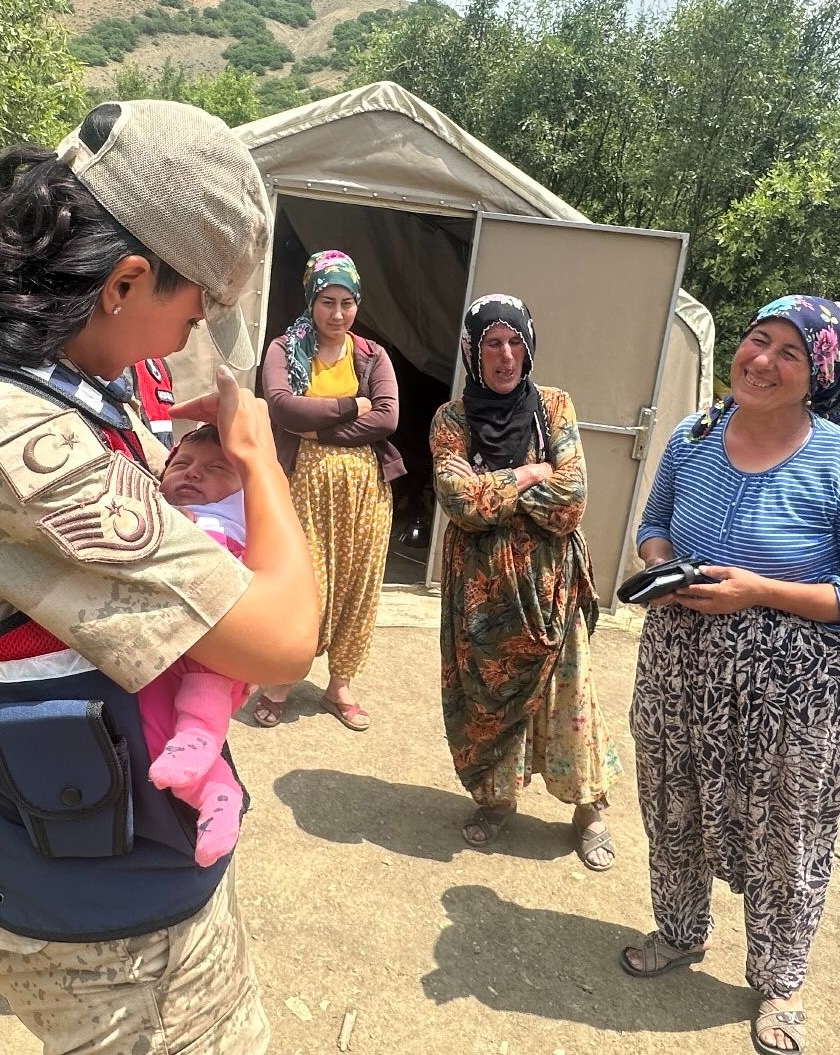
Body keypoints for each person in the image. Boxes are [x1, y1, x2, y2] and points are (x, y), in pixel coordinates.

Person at [0, 99, 319, 1055]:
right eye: (188, 315)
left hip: (110, 858)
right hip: (112, 933)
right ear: (124, 281)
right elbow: (283, 637)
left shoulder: (5, 353)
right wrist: (257, 455)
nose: (177, 345)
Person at [622, 295, 840, 1055]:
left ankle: (781, 980)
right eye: (758, 340)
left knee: (787, 834)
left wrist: (757, 591)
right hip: (679, 668)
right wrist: (663, 569)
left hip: (796, 694)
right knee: (671, 802)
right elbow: (653, 525)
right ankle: (681, 932)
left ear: (821, 375)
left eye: (790, 352)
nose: (762, 361)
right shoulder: (695, 434)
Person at [429, 294, 624, 870]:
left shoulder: (555, 407)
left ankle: (588, 811)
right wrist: (531, 472)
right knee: (486, 697)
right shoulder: (452, 419)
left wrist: (495, 486)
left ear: (529, 346)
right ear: (473, 350)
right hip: (481, 596)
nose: (505, 355)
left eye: (515, 342)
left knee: (571, 694)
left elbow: (573, 500)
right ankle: (496, 801)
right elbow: (458, 502)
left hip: (550, 591)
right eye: (492, 342)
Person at [253, 250, 403, 731]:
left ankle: (339, 684)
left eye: (347, 303)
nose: (337, 315)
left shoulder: (372, 355)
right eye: (327, 302)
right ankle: (281, 678)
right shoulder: (283, 349)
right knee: (304, 584)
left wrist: (321, 428)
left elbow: (388, 417)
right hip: (304, 490)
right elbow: (283, 409)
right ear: (311, 301)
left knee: (357, 587)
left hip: (366, 495)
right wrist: (350, 405)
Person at [143, 425, 254, 867]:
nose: (192, 475)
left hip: (218, 652)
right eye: (183, 464)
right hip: (161, 654)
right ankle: (217, 794)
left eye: (215, 469)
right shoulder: (154, 505)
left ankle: (199, 737)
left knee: (205, 682)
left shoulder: (240, 517)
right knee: (154, 730)